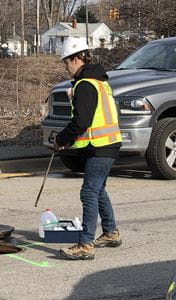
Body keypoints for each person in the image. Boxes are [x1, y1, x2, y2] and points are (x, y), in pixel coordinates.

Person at [54, 37, 122, 260]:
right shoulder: (98, 82)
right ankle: (111, 232)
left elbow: (81, 121)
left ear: (76, 59)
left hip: (101, 146)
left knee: (89, 192)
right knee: (98, 190)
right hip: (108, 144)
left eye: (66, 63)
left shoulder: (85, 85)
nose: (66, 68)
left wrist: (61, 138)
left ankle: (85, 244)